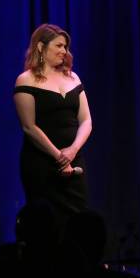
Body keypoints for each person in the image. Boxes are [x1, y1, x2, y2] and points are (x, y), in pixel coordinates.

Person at [14, 24, 92, 226]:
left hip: (74, 162)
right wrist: (59, 158)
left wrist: (72, 151)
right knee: (46, 223)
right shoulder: (26, 80)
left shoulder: (73, 78)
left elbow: (86, 120)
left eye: (65, 47)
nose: (64, 51)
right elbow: (29, 127)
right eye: (59, 46)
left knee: (77, 220)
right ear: (41, 47)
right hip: (42, 165)